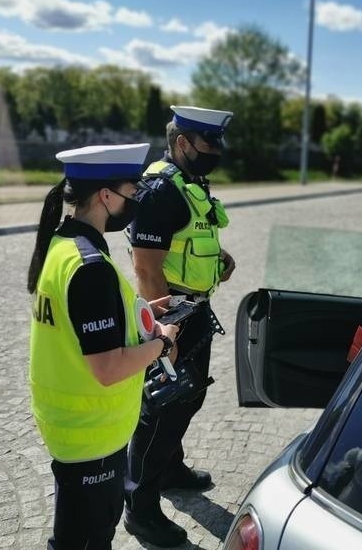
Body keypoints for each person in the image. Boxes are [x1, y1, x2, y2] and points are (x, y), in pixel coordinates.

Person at [28, 143, 181, 550]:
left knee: (76, 533)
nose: (135, 204)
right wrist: (161, 344)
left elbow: (79, 324)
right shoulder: (90, 265)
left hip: (72, 427)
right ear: (106, 196)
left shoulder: (64, 243)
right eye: (132, 193)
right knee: (87, 539)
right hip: (90, 433)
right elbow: (108, 368)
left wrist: (138, 314)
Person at [123, 106, 236, 546]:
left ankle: (169, 468)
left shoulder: (190, 183)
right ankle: (140, 509)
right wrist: (161, 337)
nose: (217, 152)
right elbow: (147, 269)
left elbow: (192, 236)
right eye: (210, 143)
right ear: (183, 142)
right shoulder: (158, 189)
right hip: (171, 317)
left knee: (189, 398)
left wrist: (219, 259)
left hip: (194, 310)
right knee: (161, 410)